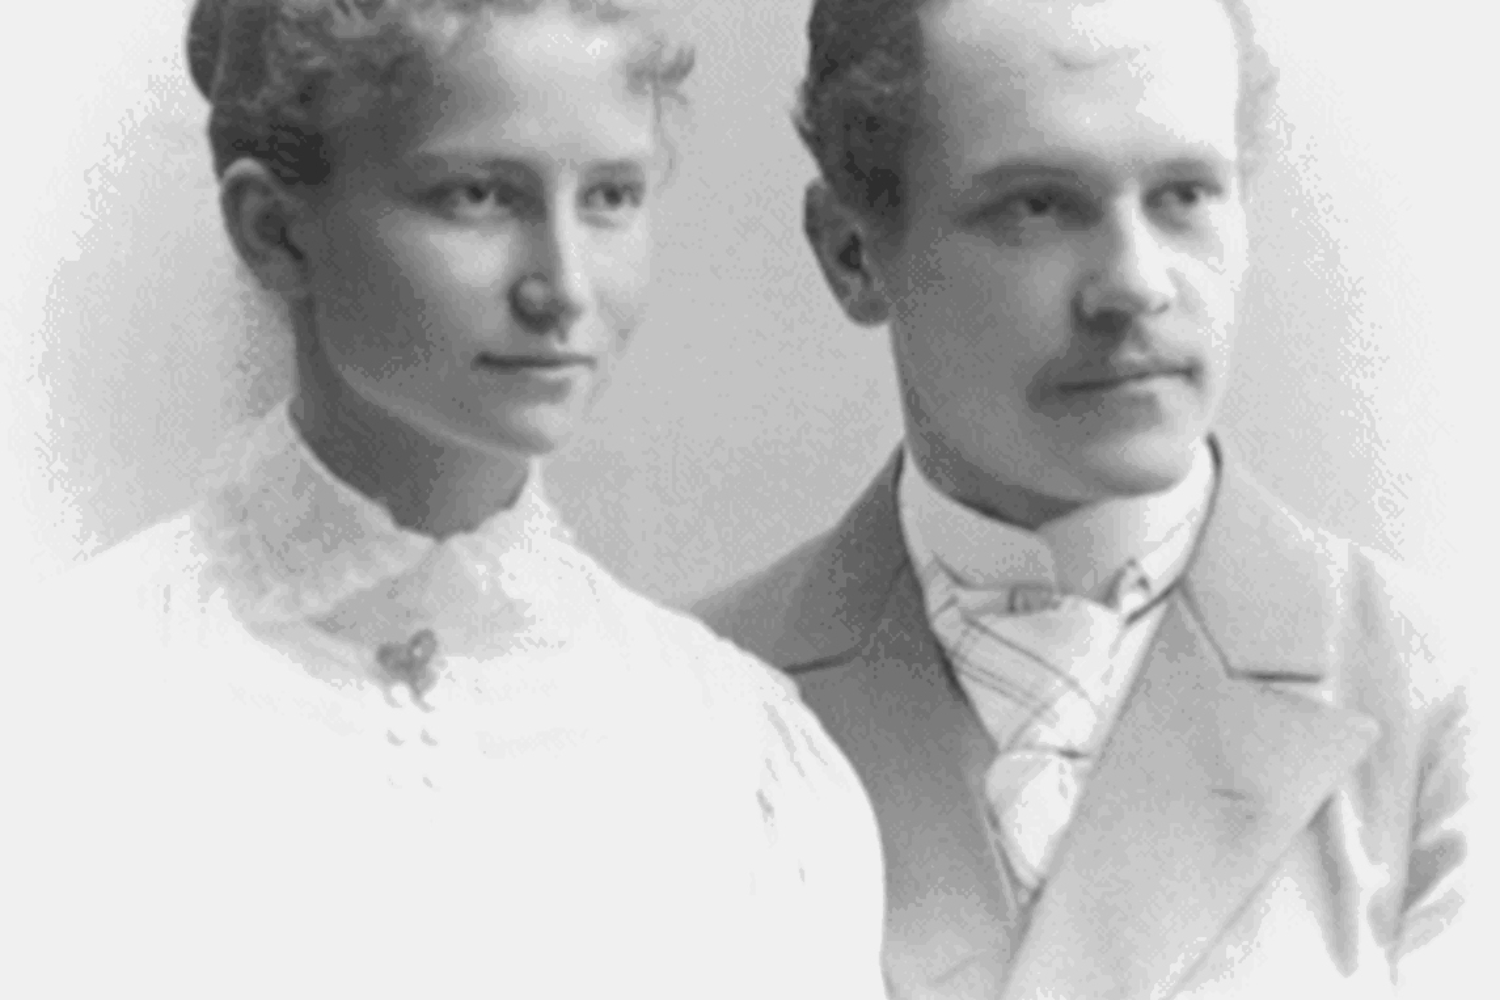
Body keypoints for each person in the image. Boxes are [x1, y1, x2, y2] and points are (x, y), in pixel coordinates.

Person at [1, 2, 886, 997]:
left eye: (609, 197)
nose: (562, 285)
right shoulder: (59, 714)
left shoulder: (734, 758)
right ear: (273, 230)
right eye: (477, 195)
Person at [698, 0, 1473, 997]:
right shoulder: (679, 713)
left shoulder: (1443, 704)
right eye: (1038, 206)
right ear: (852, 252)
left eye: (1185, 194)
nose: (1136, 285)